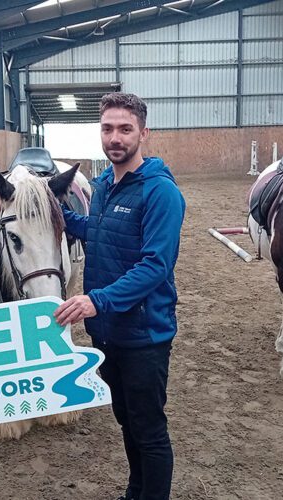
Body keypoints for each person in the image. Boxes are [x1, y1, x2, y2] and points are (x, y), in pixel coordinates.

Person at [54, 92, 186, 500]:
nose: (115, 137)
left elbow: (155, 265)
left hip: (144, 335)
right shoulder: (104, 187)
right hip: (108, 333)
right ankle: (135, 491)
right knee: (127, 421)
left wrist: (97, 301)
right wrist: (55, 212)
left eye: (125, 129)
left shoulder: (160, 192)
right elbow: (97, 232)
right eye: (108, 128)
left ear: (143, 133)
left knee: (149, 431)